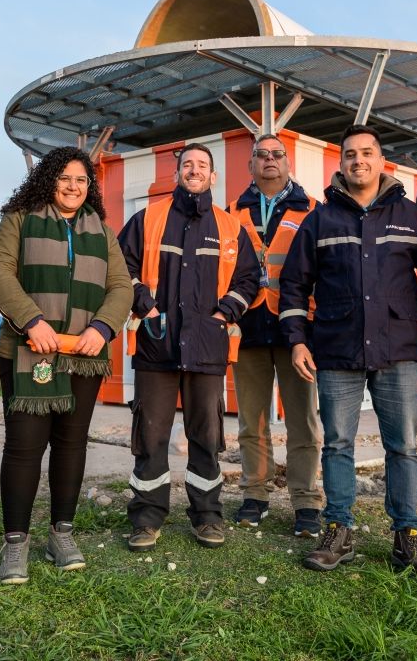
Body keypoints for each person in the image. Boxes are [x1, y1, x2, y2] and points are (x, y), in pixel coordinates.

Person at [279, 124, 417, 576]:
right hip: (337, 347)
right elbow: (293, 285)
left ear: (381, 160)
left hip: (399, 348)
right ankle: (339, 530)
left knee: (403, 446)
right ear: (340, 163)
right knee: (339, 444)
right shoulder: (321, 219)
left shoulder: (410, 216)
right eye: (350, 155)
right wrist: (298, 340)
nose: (358, 161)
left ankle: (408, 534)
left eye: (367, 153)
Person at [0, 147, 133, 585]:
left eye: (82, 180)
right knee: (24, 447)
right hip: (27, 350)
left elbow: (121, 286)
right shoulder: (18, 220)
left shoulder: (102, 231)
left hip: (83, 356)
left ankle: (62, 534)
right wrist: (31, 320)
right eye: (65, 178)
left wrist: (103, 329)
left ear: (90, 186)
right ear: (49, 179)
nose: (73, 186)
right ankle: (16, 543)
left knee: (72, 445)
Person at [118, 143, 259, 550]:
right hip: (155, 347)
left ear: (213, 177)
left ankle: (208, 516)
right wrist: (145, 304)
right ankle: (146, 517)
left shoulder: (230, 227)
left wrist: (224, 314)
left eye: (203, 165)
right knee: (151, 434)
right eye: (187, 165)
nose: (194, 170)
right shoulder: (148, 219)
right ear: (176, 173)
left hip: (208, 348)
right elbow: (120, 265)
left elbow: (249, 279)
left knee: (206, 435)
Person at [227, 134, 324, 536]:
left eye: (277, 154)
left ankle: (305, 501)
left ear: (288, 163)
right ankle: (255, 493)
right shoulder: (231, 211)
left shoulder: (313, 210)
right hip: (248, 328)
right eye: (261, 155)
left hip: (296, 330)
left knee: (303, 420)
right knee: (252, 420)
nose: (269, 160)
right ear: (250, 165)